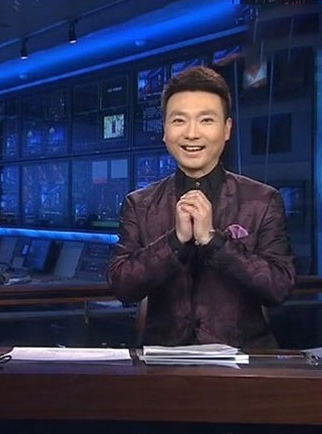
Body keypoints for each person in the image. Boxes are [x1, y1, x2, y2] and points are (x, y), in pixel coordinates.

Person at [107, 66, 295, 348]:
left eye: (206, 120)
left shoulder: (262, 200)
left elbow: (279, 287)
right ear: (165, 130)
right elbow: (122, 286)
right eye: (179, 121)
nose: (192, 133)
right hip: (163, 362)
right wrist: (175, 241)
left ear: (227, 129)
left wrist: (214, 241)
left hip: (244, 360)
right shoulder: (140, 204)